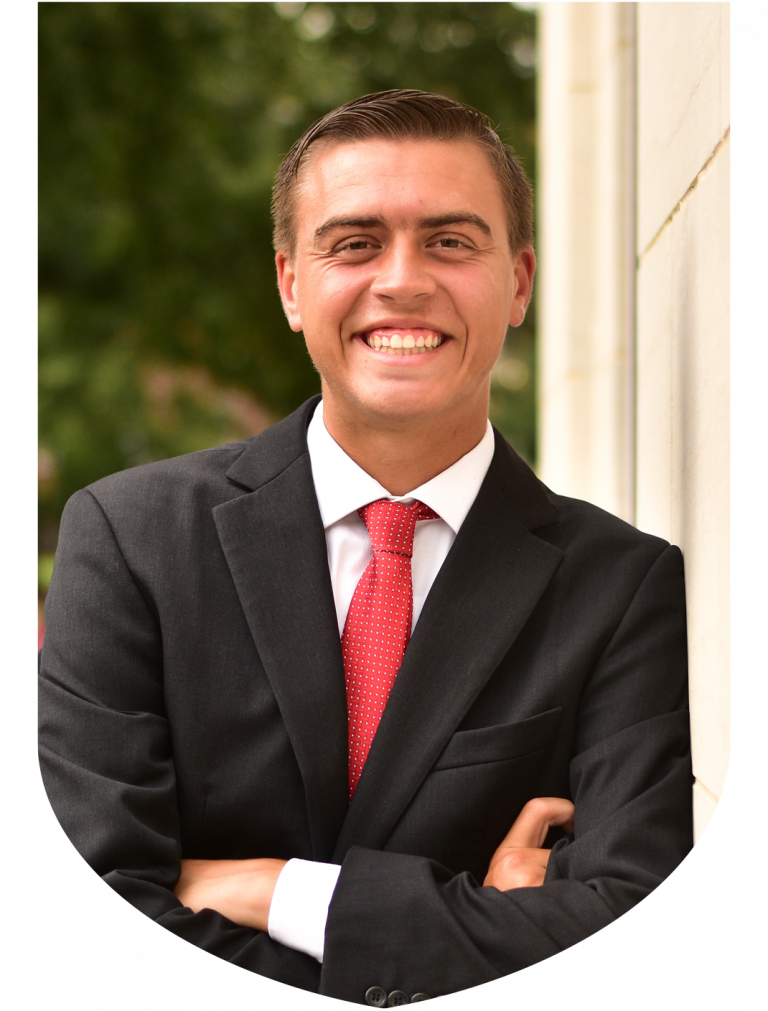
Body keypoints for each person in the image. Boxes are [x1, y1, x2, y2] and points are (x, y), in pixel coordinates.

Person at [37, 90, 692, 1003]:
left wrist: (279, 891)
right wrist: (465, 924)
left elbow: (620, 905)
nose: (403, 280)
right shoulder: (130, 539)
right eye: (354, 243)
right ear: (290, 285)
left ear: (519, 283)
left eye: (450, 241)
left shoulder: (621, 586)